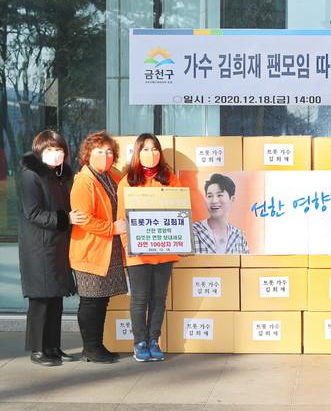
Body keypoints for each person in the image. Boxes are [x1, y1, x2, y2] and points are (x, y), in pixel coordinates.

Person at [16, 130, 86, 366]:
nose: (55, 154)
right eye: (50, 149)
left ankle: (53, 347)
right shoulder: (31, 176)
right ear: (39, 151)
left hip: (57, 246)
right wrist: (66, 218)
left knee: (56, 299)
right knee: (40, 300)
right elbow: (33, 213)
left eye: (59, 149)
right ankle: (38, 349)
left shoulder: (60, 176)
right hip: (38, 248)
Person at [117, 133, 181, 362]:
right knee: (139, 298)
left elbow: (181, 212)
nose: (151, 153)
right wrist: (128, 246)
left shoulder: (170, 179)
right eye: (145, 149)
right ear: (137, 152)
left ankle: (154, 340)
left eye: (154, 149)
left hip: (164, 250)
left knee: (159, 298)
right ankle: (139, 342)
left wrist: (179, 240)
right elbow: (122, 219)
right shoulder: (128, 181)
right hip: (138, 252)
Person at [69, 131, 128, 364]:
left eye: (109, 151)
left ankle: (97, 346)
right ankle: (91, 348)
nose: (105, 156)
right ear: (88, 154)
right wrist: (112, 228)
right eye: (99, 151)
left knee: (101, 299)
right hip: (90, 250)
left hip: (108, 250)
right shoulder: (84, 182)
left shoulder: (112, 175)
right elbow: (84, 219)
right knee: (91, 300)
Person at [192, 173, 249, 254]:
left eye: (219, 195)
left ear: (232, 199)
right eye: (209, 196)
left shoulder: (239, 236)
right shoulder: (193, 231)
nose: (214, 201)